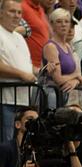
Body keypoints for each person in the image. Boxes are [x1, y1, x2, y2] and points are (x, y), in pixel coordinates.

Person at [0, 0, 35, 144]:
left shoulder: (20, 37)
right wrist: (21, 75)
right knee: (6, 144)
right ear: (1, 12)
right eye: (12, 11)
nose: (16, 16)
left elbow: (26, 66)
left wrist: (41, 71)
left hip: (24, 101)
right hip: (5, 99)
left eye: (19, 12)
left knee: (20, 145)